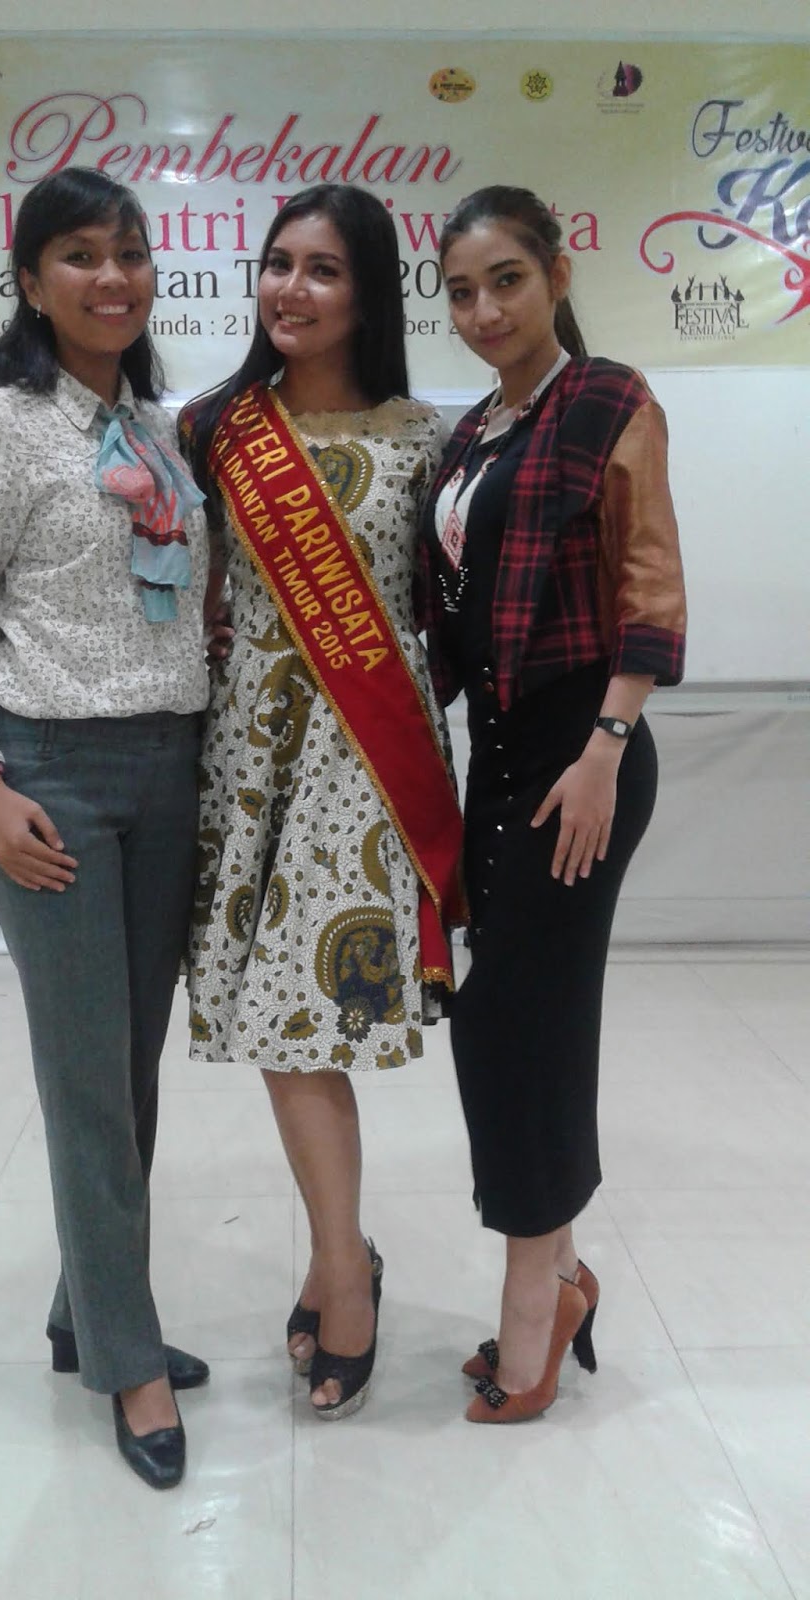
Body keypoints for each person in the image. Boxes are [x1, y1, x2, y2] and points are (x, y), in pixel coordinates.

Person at [0, 167, 213, 1489]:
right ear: (31, 282)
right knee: (87, 1077)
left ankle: (84, 1307)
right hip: (53, 780)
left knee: (130, 1068)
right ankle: (126, 1362)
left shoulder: (158, 427)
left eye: (130, 253)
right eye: (81, 255)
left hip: (170, 770)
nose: (113, 277)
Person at [181, 183, 464, 1420]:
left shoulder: (427, 438)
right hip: (247, 759)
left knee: (303, 1021)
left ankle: (342, 1269)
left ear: (369, 293)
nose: (289, 289)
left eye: (323, 269)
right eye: (277, 263)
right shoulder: (213, 428)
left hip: (362, 765)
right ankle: (344, 1256)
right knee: (273, 1023)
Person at [419, 186, 687, 1423]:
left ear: (558, 273)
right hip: (499, 758)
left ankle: (534, 1298)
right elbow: (453, 611)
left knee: (530, 1017)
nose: (484, 310)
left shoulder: (608, 400)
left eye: (507, 280)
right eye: (462, 291)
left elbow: (649, 582)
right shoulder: (471, 434)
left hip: (586, 752)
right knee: (496, 1020)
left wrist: (607, 744)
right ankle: (561, 1270)